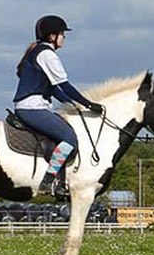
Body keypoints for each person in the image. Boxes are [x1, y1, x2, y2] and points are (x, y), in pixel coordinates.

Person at [13, 15, 103, 197]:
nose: (64, 37)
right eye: (62, 34)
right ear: (52, 36)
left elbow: (54, 90)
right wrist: (88, 103)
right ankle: (48, 180)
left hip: (32, 106)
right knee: (69, 138)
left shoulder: (38, 52)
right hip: (33, 108)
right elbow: (65, 86)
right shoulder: (47, 54)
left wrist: (73, 105)